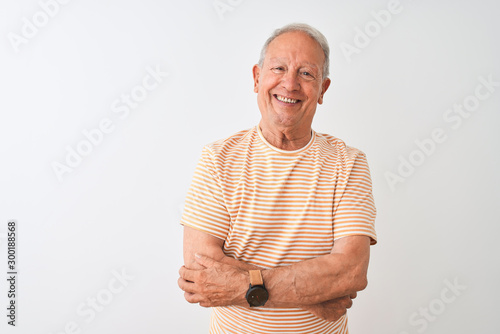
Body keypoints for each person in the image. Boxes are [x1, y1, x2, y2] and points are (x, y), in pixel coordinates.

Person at [178, 23, 377, 334]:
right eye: (279, 68)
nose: (290, 83)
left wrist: (242, 285)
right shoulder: (217, 159)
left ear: (322, 89)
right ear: (257, 78)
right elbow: (199, 270)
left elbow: (350, 271)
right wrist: (316, 295)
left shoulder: (348, 163)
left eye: (306, 74)